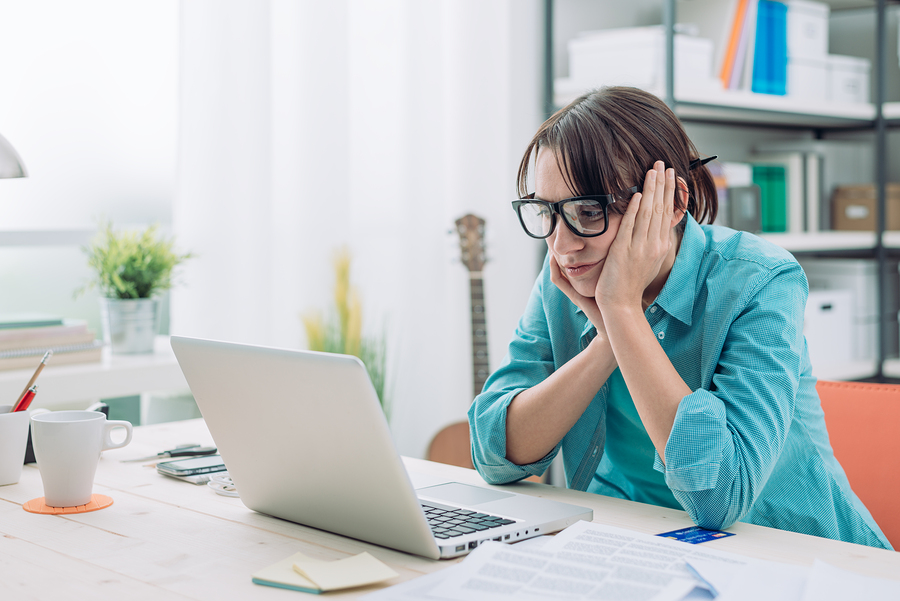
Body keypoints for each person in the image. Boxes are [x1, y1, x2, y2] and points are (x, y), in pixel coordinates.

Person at [468, 86, 891, 550]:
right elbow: (494, 453)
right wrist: (608, 340)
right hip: (636, 544)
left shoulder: (761, 281)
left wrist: (624, 310)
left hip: (795, 554)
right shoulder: (567, 279)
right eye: (546, 213)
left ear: (669, 203)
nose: (563, 245)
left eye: (588, 212)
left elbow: (719, 499)